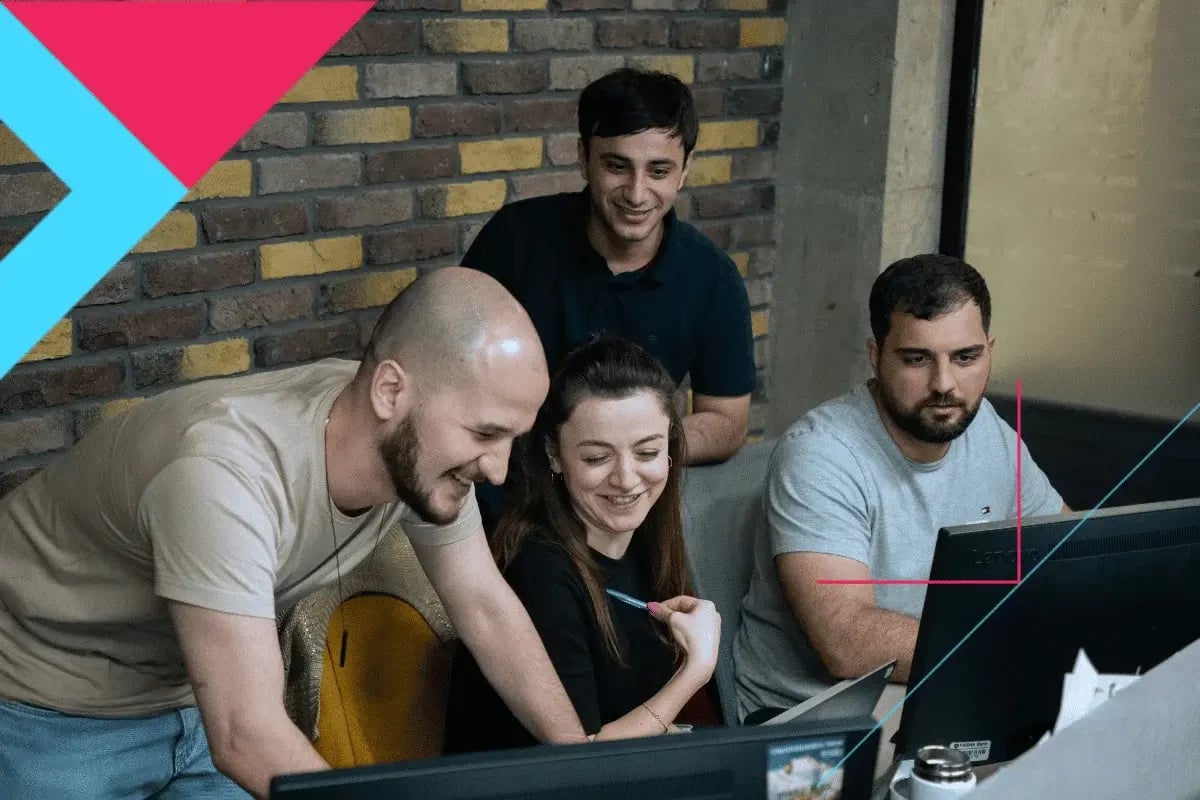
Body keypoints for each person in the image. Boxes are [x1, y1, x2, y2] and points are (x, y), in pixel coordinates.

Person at [0, 268, 589, 799]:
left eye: (512, 437)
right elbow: (246, 735)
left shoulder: (417, 449)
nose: (498, 469)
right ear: (390, 391)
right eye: (485, 434)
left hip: (197, 698)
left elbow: (484, 606)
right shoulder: (223, 475)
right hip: (48, 706)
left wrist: (584, 770)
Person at [734, 254, 1070, 722]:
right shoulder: (820, 455)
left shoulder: (984, 427)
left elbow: (1069, 552)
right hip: (814, 725)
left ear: (989, 349)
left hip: (944, 688)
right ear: (876, 357)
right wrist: (1009, 641)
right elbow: (847, 642)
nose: (945, 384)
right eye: (917, 359)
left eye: (966, 357)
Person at [461, 67, 756, 527]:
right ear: (583, 157)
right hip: (499, 495)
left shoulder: (713, 277)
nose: (637, 194)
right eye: (617, 165)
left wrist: (626, 451)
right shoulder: (515, 239)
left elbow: (727, 421)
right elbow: (453, 373)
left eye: (659, 170)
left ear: (685, 171)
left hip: (623, 508)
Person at [443, 336, 721, 753]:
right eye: (596, 458)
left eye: (647, 452)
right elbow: (582, 759)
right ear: (554, 456)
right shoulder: (538, 571)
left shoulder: (648, 538)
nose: (626, 479)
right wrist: (694, 672)